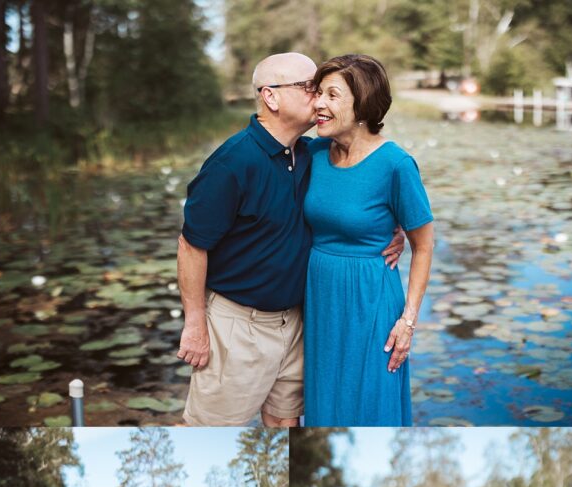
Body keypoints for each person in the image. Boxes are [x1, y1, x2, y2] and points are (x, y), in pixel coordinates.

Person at [177, 52, 404, 427]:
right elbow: (191, 244)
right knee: (207, 431)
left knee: (285, 425)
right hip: (239, 326)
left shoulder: (308, 152)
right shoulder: (232, 163)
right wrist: (195, 323)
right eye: (309, 88)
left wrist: (392, 227)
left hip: (298, 323)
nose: (319, 99)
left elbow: (362, 176)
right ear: (271, 96)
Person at [304, 54, 434, 426]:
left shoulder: (396, 164)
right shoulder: (313, 151)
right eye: (318, 93)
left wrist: (408, 322)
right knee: (324, 406)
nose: (318, 104)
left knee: (370, 405)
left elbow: (424, 244)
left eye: (332, 95)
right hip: (320, 299)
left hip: (370, 299)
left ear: (361, 105)